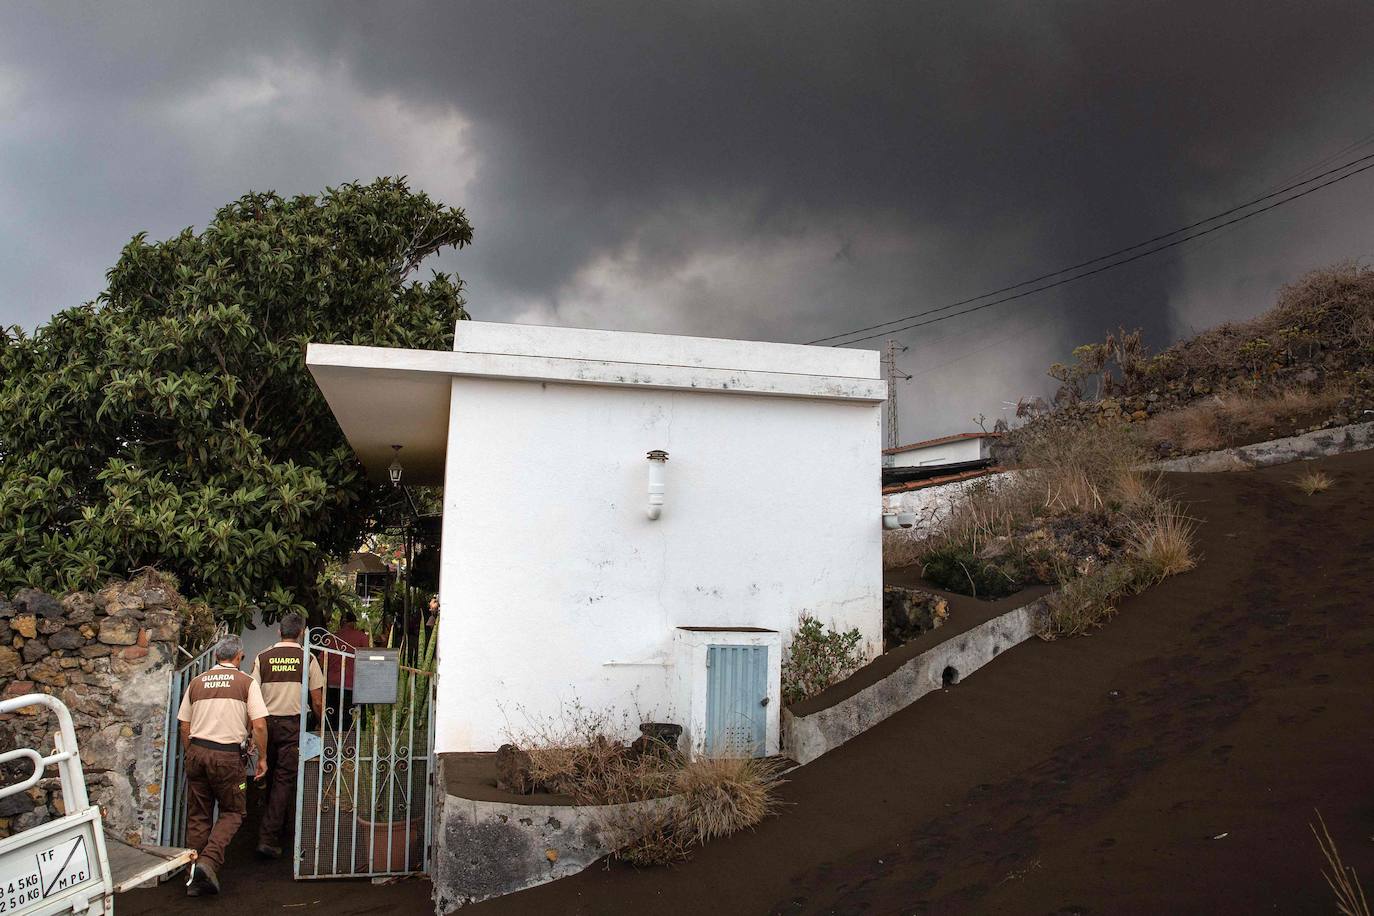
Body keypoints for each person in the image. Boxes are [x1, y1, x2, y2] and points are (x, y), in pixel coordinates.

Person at [177, 635, 269, 897]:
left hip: (197, 752)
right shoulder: (246, 683)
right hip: (226, 758)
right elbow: (260, 724)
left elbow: (185, 725)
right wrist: (262, 757)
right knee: (233, 812)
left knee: (199, 815)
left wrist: (190, 753)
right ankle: (209, 861)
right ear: (239, 656)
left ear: (216, 656)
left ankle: (192, 874)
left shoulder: (196, 683)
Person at [250, 613, 324, 860]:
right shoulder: (308, 658)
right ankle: (268, 838)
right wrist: (323, 725)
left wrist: (252, 729)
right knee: (284, 780)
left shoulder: (262, 658)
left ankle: (274, 826)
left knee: (270, 774)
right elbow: (317, 699)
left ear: (279, 632)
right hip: (293, 725)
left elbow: (252, 695)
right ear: (301, 633)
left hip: (267, 724)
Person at [326, 609, 370, 714]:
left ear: (342, 622)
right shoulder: (361, 637)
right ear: (353, 623)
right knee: (348, 718)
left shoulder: (332, 638)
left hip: (332, 683)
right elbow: (366, 660)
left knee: (333, 716)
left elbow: (323, 659)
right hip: (351, 684)